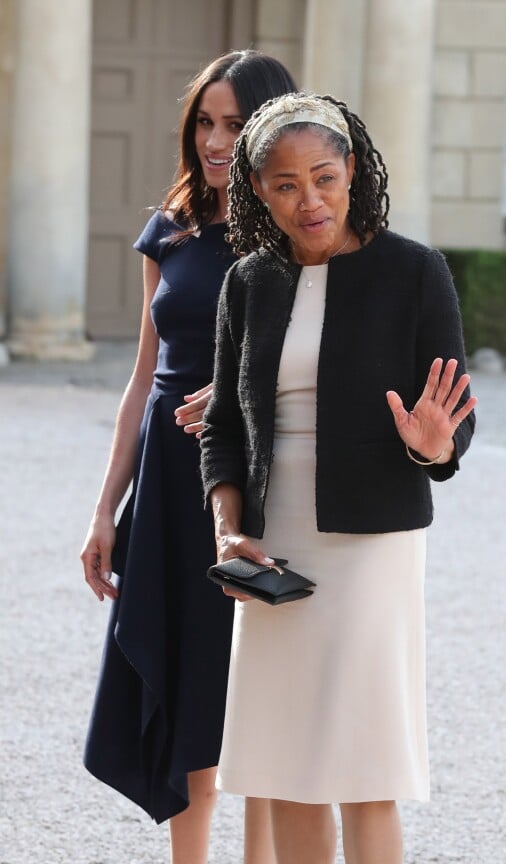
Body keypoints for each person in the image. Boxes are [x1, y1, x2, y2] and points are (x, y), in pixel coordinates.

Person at [200, 92, 477, 864]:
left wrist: (432, 445)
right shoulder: (248, 282)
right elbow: (223, 425)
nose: (309, 199)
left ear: (352, 169)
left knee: (364, 765)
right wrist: (230, 527)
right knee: (285, 768)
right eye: (286, 184)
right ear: (259, 191)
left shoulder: (414, 272)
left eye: (324, 176)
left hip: (373, 544)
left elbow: (455, 423)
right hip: (272, 549)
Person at [80, 51, 296, 864]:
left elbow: (322, 366)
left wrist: (241, 398)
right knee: (183, 704)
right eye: (204, 121)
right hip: (168, 499)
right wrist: (105, 509)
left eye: (234, 124)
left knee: (256, 706)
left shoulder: (295, 232)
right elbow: (142, 382)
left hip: (258, 489)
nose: (214, 140)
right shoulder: (166, 229)